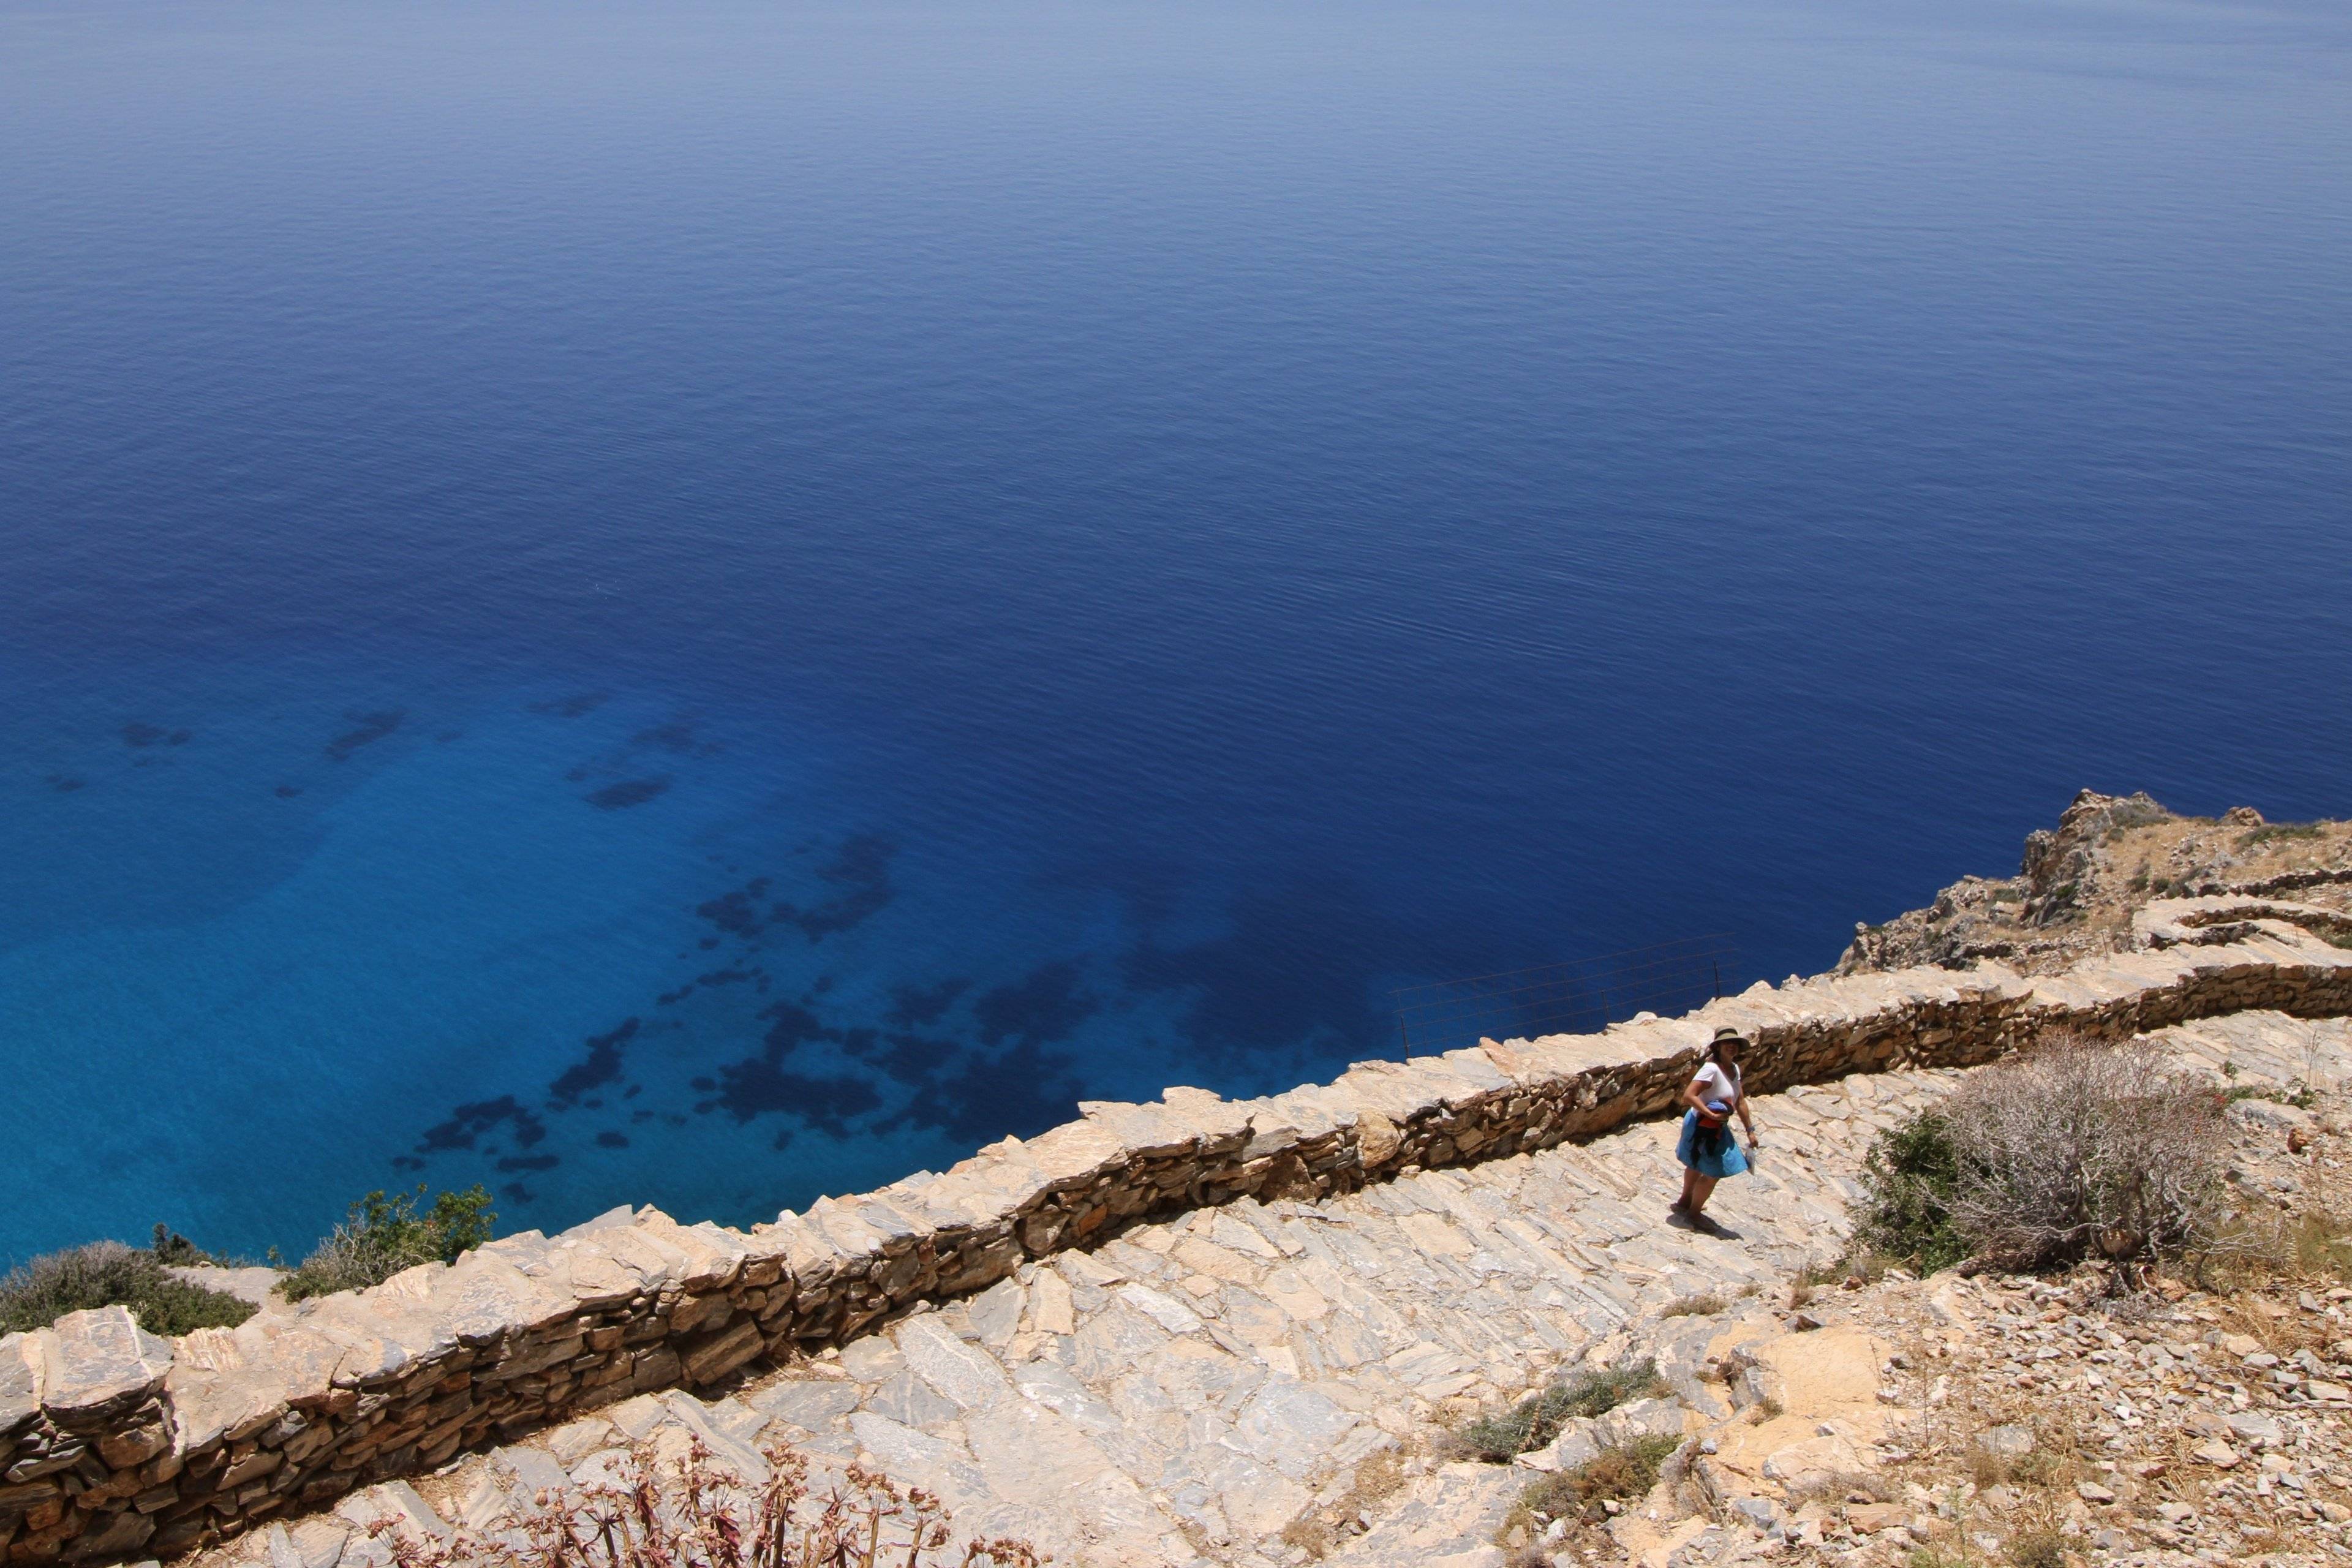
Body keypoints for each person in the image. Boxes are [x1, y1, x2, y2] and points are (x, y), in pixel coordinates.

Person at [1673, 1026, 1757, 1227]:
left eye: (1735, 1043)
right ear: (1718, 1047)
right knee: (1715, 1171)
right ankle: (1693, 1213)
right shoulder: (1711, 1070)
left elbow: (1740, 1101)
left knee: (1696, 1163)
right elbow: (1689, 1095)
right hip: (1703, 1125)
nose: (1732, 1046)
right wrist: (1709, 1113)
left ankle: (1685, 1202)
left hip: (1716, 1126)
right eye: (1727, 1043)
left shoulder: (1734, 1070)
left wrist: (1750, 1130)